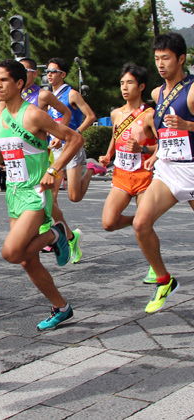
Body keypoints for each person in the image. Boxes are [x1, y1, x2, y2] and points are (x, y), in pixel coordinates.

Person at [0, 59, 84, 330]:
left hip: (36, 192)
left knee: (11, 252)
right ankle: (61, 307)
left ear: (19, 83)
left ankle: (56, 233)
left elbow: (75, 139)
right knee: (29, 261)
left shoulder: (34, 114)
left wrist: (54, 168)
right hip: (13, 194)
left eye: (4, 80)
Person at [133, 32, 194, 313]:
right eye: (157, 59)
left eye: (166, 58)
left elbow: (180, 126)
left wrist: (188, 125)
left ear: (181, 59)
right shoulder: (158, 93)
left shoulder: (192, 89)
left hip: (191, 169)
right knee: (140, 224)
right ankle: (164, 280)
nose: (160, 64)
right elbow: (164, 132)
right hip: (167, 170)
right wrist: (156, 151)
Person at [44, 57, 98, 264]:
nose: (49, 74)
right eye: (47, 71)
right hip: (55, 150)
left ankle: (91, 168)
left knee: (74, 197)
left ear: (63, 74)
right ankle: (68, 237)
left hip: (71, 148)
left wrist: (73, 133)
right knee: (51, 199)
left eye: (53, 71)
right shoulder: (48, 96)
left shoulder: (71, 93)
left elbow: (90, 116)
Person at [99, 64, 156, 238]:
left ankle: (155, 264)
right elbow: (115, 136)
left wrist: (143, 148)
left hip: (145, 176)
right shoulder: (116, 113)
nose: (124, 87)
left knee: (143, 227)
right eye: (122, 83)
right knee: (108, 223)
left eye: (130, 83)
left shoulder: (150, 114)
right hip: (121, 175)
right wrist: (108, 155)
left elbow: (164, 145)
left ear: (141, 86)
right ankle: (137, 220)